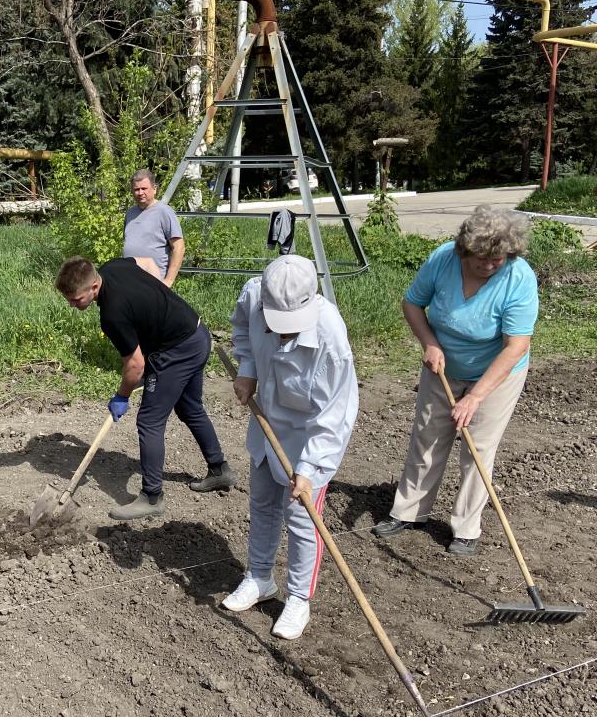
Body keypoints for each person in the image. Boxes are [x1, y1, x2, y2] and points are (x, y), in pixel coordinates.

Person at [373, 205, 538, 557]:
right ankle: (409, 512)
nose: (491, 265)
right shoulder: (442, 260)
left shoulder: (518, 278)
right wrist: (429, 343)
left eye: (500, 258)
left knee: (477, 448)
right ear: (464, 250)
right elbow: (413, 304)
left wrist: (475, 397)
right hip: (443, 364)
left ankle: (466, 528)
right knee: (428, 437)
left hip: (496, 371)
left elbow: (515, 347)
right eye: (483, 258)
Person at [220, 255, 358, 640]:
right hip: (265, 424)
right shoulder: (253, 296)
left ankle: (299, 598)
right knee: (262, 504)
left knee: (301, 520)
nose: (281, 334)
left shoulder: (331, 341)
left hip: (307, 436)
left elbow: (335, 415)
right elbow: (243, 335)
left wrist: (310, 469)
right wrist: (247, 372)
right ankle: (260, 578)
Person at [55, 255, 233, 521]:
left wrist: (121, 396)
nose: (72, 305)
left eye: (76, 299)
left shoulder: (112, 314)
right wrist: (153, 305)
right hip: (195, 333)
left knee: (149, 421)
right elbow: (146, 262)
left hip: (177, 351)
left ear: (93, 287)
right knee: (190, 408)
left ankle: (152, 497)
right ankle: (220, 470)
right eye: (68, 300)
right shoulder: (114, 266)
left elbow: (136, 365)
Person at [123, 169, 185, 287]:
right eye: (136, 189)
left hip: (154, 283)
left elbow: (179, 247)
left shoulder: (164, 212)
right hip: (130, 282)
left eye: (144, 188)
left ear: (154, 188)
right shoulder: (130, 213)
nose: (140, 193)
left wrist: (169, 281)